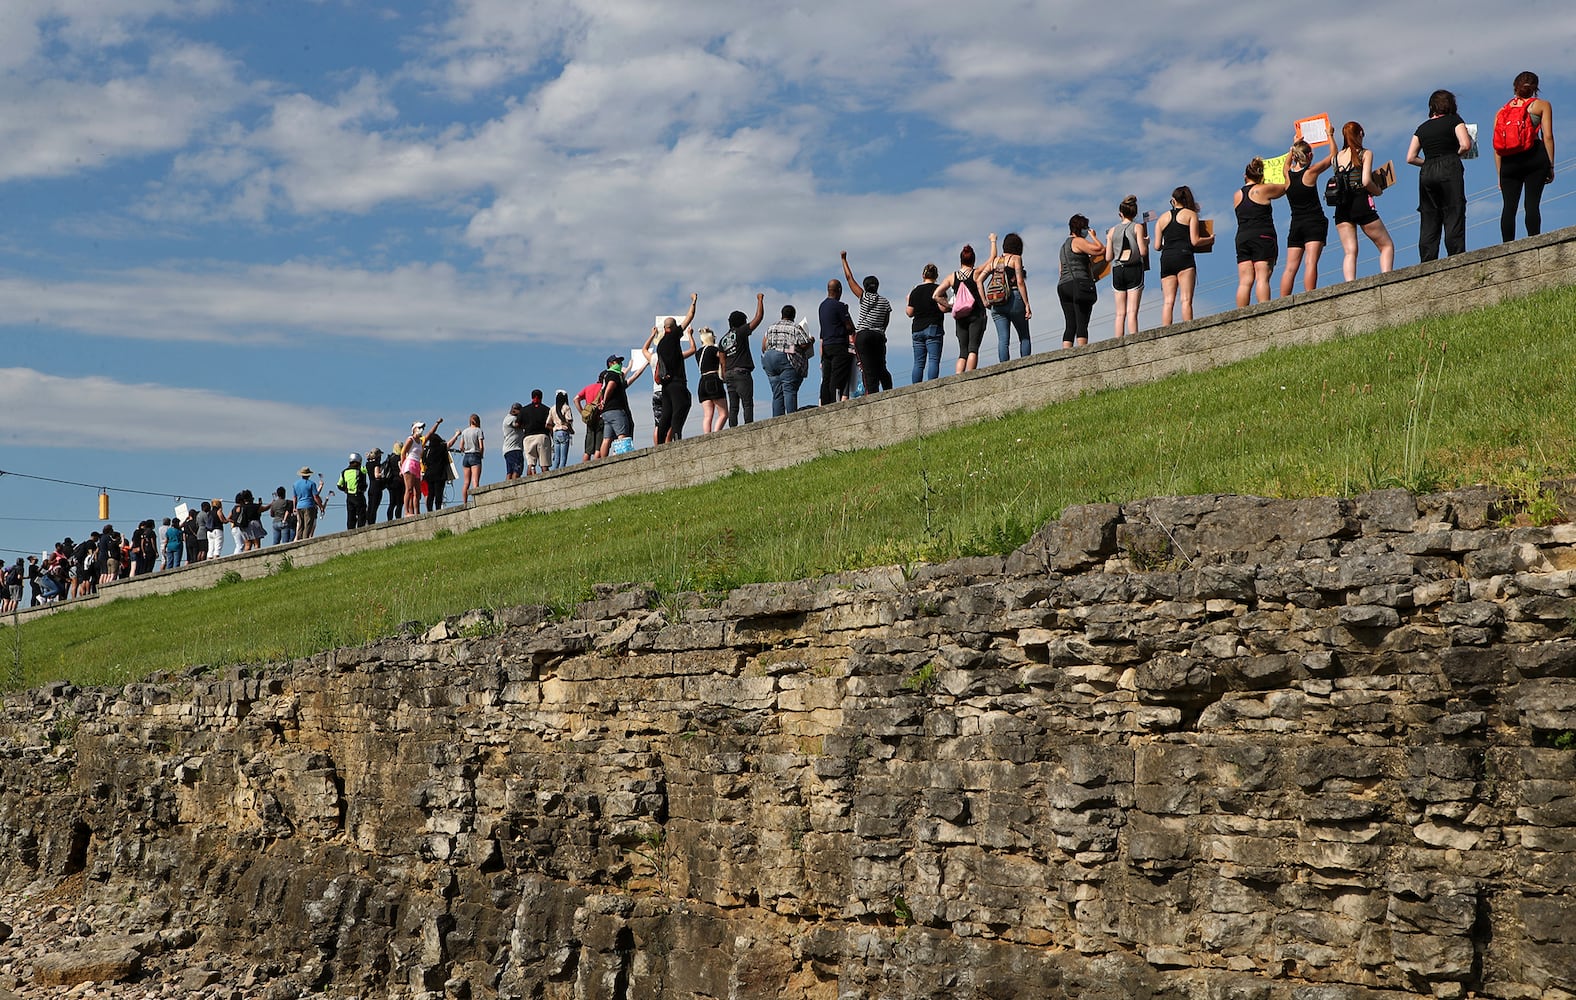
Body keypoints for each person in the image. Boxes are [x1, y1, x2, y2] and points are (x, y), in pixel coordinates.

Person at [1408, 90, 1472, 262]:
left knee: (1429, 215)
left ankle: (1427, 261)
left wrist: (1428, 163)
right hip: (1449, 166)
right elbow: (1465, 145)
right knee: (1454, 211)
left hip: (1427, 171)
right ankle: (1456, 257)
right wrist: (1453, 155)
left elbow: (1410, 157)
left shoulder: (1422, 128)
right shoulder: (1455, 121)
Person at [1496, 71, 1556, 243]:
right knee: (1532, 204)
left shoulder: (1502, 112)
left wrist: (1500, 172)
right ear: (1535, 88)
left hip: (1509, 162)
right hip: (1534, 158)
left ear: (1515, 86)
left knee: (1509, 207)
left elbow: (1497, 146)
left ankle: (1507, 246)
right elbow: (1548, 136)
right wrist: (1550, 165)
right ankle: (1534, 242)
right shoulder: (1542, 105)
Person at [1332, 121, 1395, 280]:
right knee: (1386, 245)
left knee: (1350, 251)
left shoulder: (1336, 158)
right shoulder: (1365, 153)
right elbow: (1366, 181)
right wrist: (1378, 191)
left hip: (1341, 206)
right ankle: (1387, 280)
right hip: (1360, 203)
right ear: (1359, 134)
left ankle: (1349, 286)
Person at [1279, 141, 1333, 297]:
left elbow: (1286, 163)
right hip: (1314, 222)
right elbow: (1332, 157)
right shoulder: (1311, 172)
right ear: (1309, 156)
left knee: (1290, 267)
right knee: (1310, 262)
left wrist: (1292, 147)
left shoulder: (1287, 174)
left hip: (1296, 225)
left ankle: (1282, 301)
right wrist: (1330, 135)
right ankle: (1309, 297)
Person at [1154, 186, 1214, 325]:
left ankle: (1165, 334)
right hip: (1184, 256)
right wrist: (1210, 239)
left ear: (1173, 201)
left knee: (1168, 301)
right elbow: (1195, 240)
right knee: (1186, 300)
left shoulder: (1162, 218)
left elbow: (1157, 246)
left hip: (1167, 257)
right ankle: (1187, 331)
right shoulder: (1190, 214)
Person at [1233, 157, 1288, 306]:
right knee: (1262, 277)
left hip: (1242, 237)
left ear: (1245, 176)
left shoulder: (1237, 195)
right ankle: (1264, 311)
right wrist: (1287, 166)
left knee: (1244, 281)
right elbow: (1286, 186)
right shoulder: (1264, 189)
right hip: (1262, 236)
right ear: (1262, 176)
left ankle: (1240, 315)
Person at [840, 252, 894, 394]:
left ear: (865, 286)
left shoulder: (863, 296)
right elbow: (885, 322)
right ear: (877, 286)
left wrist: (844, 259)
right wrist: (881, 332)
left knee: (868, 369)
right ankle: (889, 391)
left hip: (863, 335)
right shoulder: (885, 301)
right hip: (878, 335)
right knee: (881, 367)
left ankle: (872, 397)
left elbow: (849, 278)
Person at [650, 294, 699, 443]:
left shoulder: (660, 345)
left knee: (666, 414)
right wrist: (694, 301)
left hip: (665, 385)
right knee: (682, 406)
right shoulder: (673, 337)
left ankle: (659, 443)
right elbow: (690, 316)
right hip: (677, 382)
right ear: (672, 327)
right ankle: (677, 438)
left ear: (664, 328)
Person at [933, 244, 986, 373]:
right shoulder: (976, 273)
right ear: (973, 260)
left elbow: (936, 295)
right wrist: (992, 241)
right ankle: (970, 376)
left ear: (960, 260)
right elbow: (991, 259)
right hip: (976, 314)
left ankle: (958, 378)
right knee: (973, 348)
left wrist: (951, 306)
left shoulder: (952, 277)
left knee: (963, 352)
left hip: (961, 317)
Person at [978, 232, 1031, 361]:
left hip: (997, 303)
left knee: (1003, 340)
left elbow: (979, 281)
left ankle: (1004, 371)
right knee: (1024, 336)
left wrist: (985, 301)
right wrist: (1027, 304)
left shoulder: (994, 262)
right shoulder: (1016, 259)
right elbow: (1020, 282)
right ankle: (1026, 367)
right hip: (1014, 298)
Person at [1057, 215, 1103, 348]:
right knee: (1082, 323)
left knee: (1070, 325)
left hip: (1063, 286)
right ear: (1080, 228)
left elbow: (1060, 270)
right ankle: (1081, 354)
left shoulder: (1062, 247)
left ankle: (1066, 355)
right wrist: (1094, 236)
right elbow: (1100, 249)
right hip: (1079, 284)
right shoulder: (1077, 241)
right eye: (1085, 228)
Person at [1105, 198, 1148, 338]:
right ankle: (1134, 339)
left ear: (1120, 214)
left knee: (1119, 313)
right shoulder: (1137, 227)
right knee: (1132, 311)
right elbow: (1142, 252)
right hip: (1134, 268)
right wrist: (1145, 242)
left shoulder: (1111, 231)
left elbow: (1108, 257)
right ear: (1135, 213)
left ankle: (1118, 341)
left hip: (1118, 269)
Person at [760, 304, 814, 416]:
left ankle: (776, 420)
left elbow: (763, 347)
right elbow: (804, 344)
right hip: (785, 358)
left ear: (782, 315)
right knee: (789, 390)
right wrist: (811, 341)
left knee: (777, 393)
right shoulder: (795, 327)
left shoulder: (771, 327)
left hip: (769, 358)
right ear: (794, 316)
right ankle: (791, 418)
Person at [720, 295, 763, 427]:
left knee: (733, 406)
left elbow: (722, 361)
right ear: (741, 322)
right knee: (747, 403)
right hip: (741, 373)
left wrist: (724, 375)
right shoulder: (741, 331)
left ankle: (733, 430)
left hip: (729, 374)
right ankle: (749, 429)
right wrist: (760, 300)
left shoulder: (723, 340)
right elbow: (758, 318)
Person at [817, 279, 855, 405]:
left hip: (826, 345)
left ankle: (824, 402)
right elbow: (849, 327)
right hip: (838, 344)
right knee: (837, 376)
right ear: (839, 290)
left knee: (826, 377)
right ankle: (835, 402)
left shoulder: (822, 306)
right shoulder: (839, 306)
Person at [906, 263, 945, 383]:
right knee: (933, 360)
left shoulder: (915, 291)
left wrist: (908, 300)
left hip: (917, 328)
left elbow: (909, 313)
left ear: (923, 275)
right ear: (936, 275)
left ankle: (915, 389)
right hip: (933, 326)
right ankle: (931, 387)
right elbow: (943, 308)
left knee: (918, 363)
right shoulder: (938, 289)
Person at [594, 355, 635, 458]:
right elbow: (610, 386)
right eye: (617, 362)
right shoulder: (613, 374)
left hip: (606, 412)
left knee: (607, 438)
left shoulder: (606, 375)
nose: (620, 364)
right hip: (616, 409)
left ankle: (603, 460)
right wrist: (605, 400)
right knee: (622, 434)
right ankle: (623, 456)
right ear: (610, 364)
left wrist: (630, 367)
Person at [694, 328, 728, 433]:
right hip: (713, 379)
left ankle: (706, 436)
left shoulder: (698, 353)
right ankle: (716, 433)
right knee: (723, 414)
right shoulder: (713, 349)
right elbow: (722, 355)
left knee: (707, 415)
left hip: (702, 382)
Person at [447, 413, 485, 504]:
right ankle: (476, 501)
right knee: (475, 481)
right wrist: (481, 454)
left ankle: (465, 502)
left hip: (466, 457)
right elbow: (481, 446)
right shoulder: (478, 431)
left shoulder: (464, 431)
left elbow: (461, 447)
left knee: (466, 482)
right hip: (475, 455)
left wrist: (465, 450)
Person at [519, 391, 551, 475]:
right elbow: (549, 424)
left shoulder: (524, 410)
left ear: (531, 397)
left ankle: (530, 483)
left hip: (528, 437)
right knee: (544, 464)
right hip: (542, 436)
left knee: (531, 464)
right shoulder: (547, 409)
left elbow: (518, 424)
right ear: (542, 397)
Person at [422, 422, 452, 511]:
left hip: (429, 475)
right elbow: (449, 444)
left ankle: (429, 510)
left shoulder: (427, 450)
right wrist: (456, 435)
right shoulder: (441, 447)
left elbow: (424, 461)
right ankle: (438, 509)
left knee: (431, 493)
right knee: (439, 494)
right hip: (440, 474)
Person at [574, 382, 604, 461]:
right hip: (600, 418)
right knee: (598, 448)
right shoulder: (603, 387)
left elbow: (575, 399)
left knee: (587, 450)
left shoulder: (588, 387)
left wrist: (583, 413)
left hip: (590, 420)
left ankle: (584, 468)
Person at [338, 455, 369, 529]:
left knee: (350, 515)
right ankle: (361, 530)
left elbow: (339, 485)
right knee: (361, 514)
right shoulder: (360, 470)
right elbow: (367, 470)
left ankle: (350, 531)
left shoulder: (344, 472)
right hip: (358, 495)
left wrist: (345, 490)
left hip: (349, 497)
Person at [292, 467, 323, 539]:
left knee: (300, 525)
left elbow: (294, 497)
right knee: (308, 525)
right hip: (309, 506)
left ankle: (299, 540)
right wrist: (321, 506)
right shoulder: (312, 484)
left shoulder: (295, 484)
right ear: (309, 475)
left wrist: (294, 507)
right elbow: (316, 496)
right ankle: (305, 540)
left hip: (299, 506)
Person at [548, 390, 575, 470]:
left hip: (555, 432)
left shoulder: (552, 408)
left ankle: (554, 472)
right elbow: (568, 421)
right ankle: (562, 471)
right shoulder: (566, 407)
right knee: (563, 457)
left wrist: (553, 428)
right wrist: (571, 430)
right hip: (563, 431)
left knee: (557, 457)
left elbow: (547, 423)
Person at [500, 404, 525, 480]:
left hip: (508, 449)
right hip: (514, 449)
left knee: (509, 472)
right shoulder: (512, 419)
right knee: (516, 471)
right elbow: (519, 425)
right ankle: (514, 487)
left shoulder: (506, 418)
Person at [379, 447, 404, 520]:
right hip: (399, 482)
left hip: (390, 483)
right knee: (399, 503)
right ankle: (398, 518)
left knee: (392, 503)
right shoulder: (400, 458)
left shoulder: (390, 458)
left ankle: (389, 519)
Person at [363, 448, 385, 524]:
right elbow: (376, 475)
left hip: (371, 486)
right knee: (374, 507)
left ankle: (368, 520)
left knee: (370, 505)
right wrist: (382, 474)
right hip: (377, 487)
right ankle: (372, 522)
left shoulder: (368, 464)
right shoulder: (377, 464)